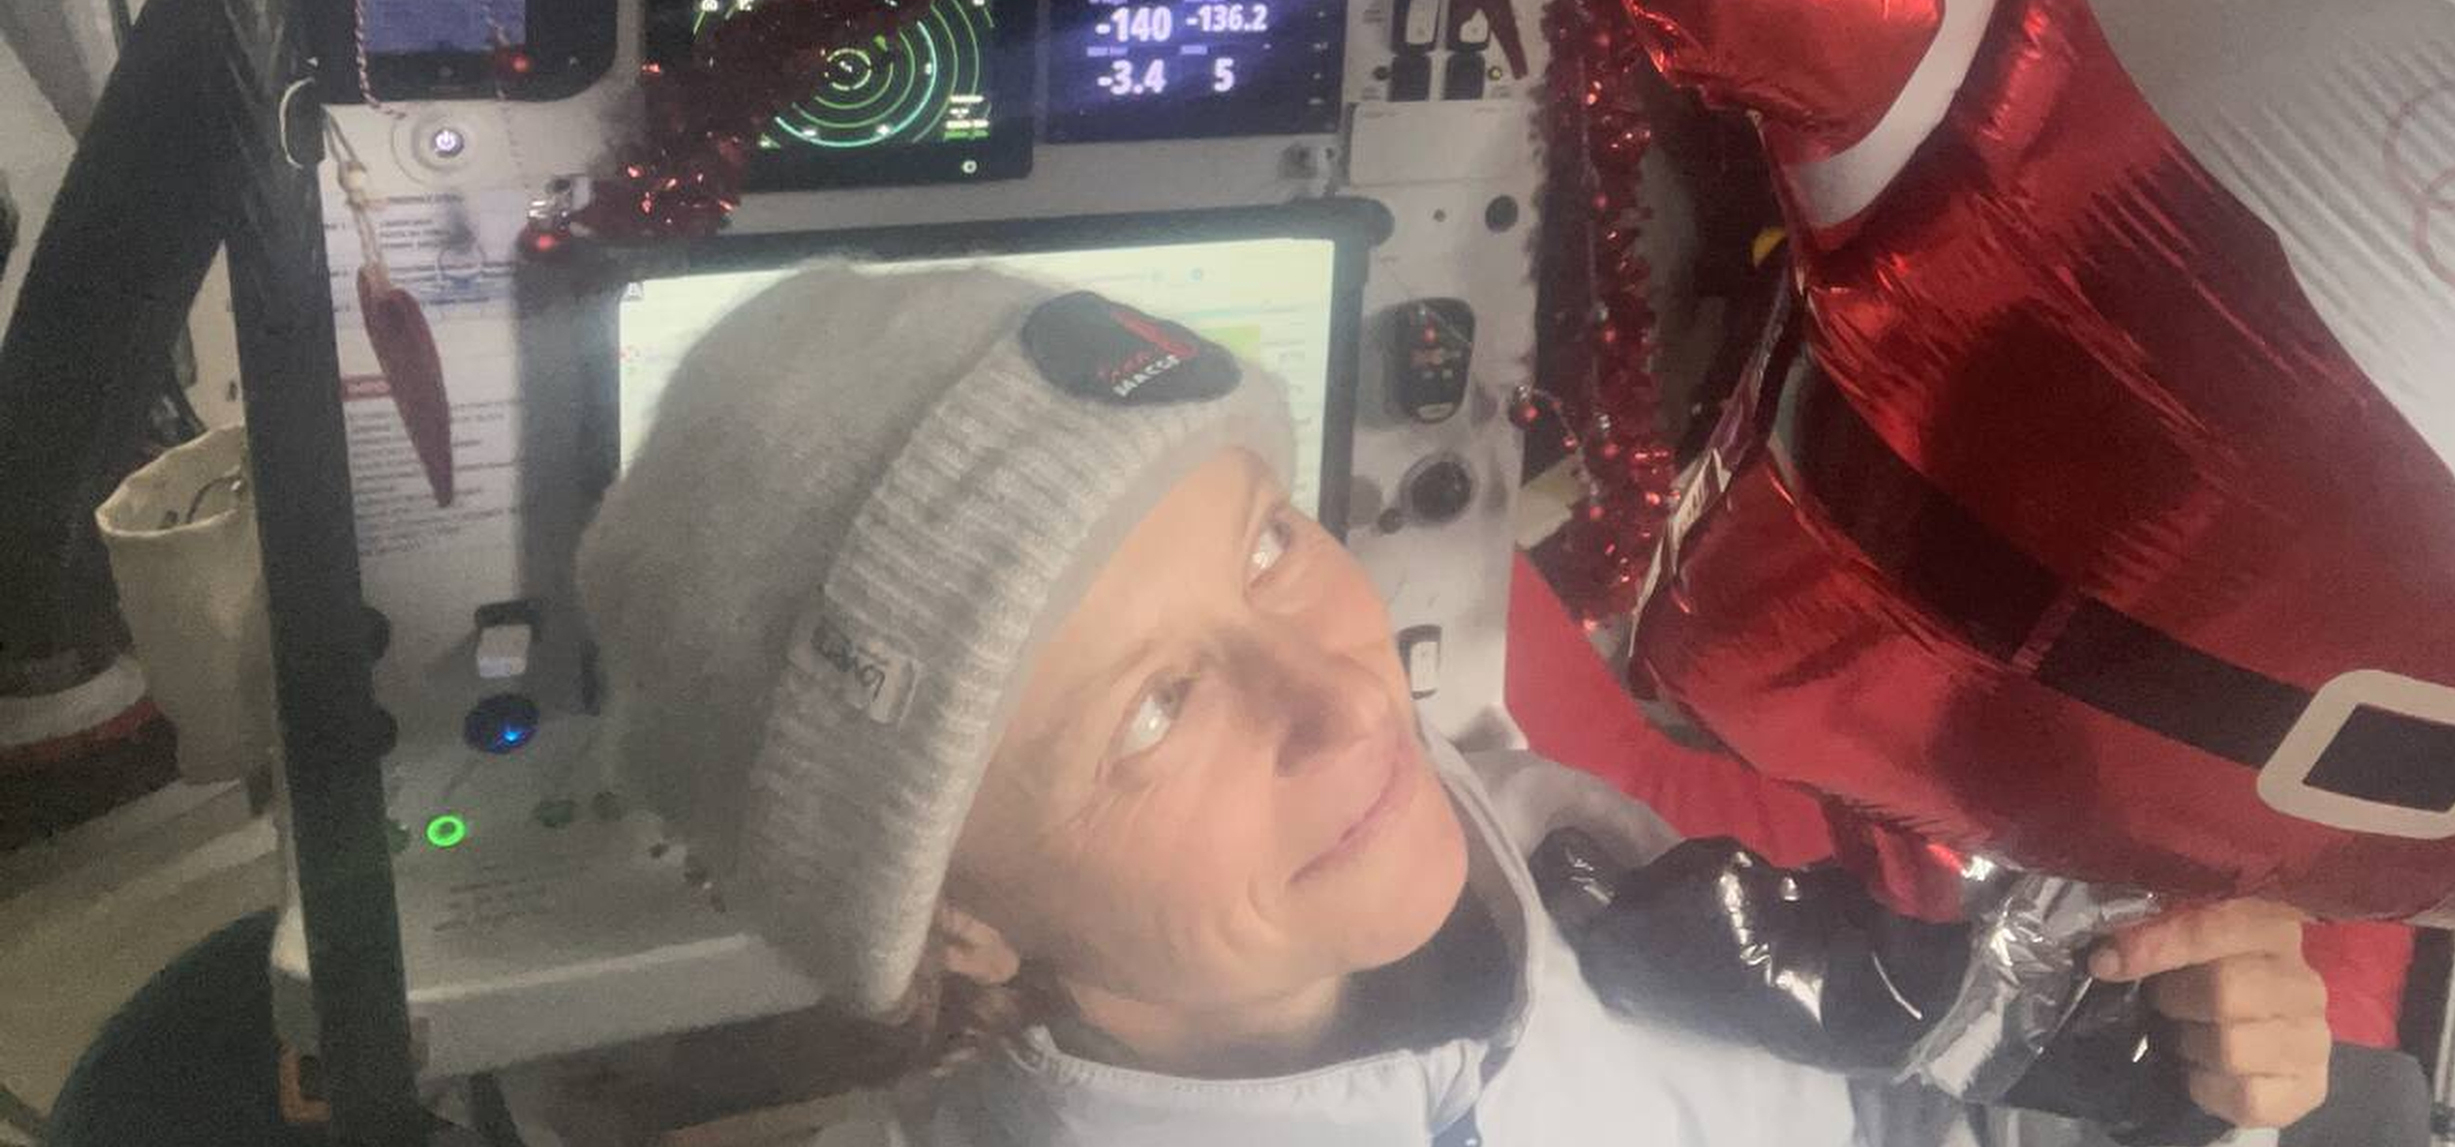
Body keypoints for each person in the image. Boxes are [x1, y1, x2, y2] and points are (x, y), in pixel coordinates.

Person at [573, 263, 2331, 1145]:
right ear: (955, 924)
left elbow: (1861, 1082)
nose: (1346, 704)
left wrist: (2163, 1052)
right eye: (1151, 712)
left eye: (1268, 546)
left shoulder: (1536, 852)